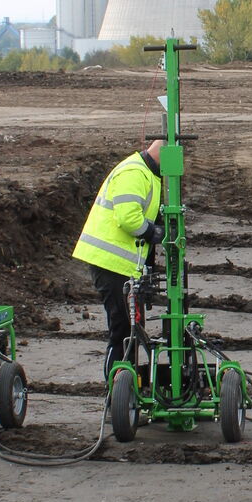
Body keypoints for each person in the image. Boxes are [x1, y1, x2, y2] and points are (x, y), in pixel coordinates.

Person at [72, 142, 164, 376]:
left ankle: (127, 383)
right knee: (123, 328)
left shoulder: (149, 174)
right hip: (111, 264)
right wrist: (153, 233)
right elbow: (129, 219)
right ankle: (117, 390)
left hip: (123, 266)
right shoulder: (134, 172)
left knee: (133, 327)